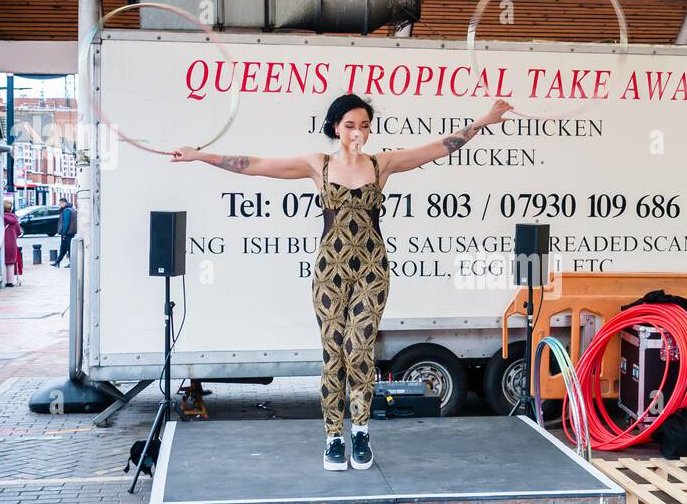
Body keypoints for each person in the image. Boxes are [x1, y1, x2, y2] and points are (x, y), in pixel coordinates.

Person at [172, 94, 512, 471]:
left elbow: (438, 147)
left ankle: (361, 431)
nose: (357, 132)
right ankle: (334, 436)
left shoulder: (381, 164)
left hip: (372, 269)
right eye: (350, 125)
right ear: (336, 127)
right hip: (330, 271)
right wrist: (200, 155)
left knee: (359, 350)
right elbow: (253, 165)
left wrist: (483, 121)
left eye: (364, 125)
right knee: (333, 354)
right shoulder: (318, 165)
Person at [2, 200, 23, 287]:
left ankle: (1, 280)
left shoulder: (0, 217)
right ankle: (9, 281)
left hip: (2, 243)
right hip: (12, 244)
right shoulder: (14, 218)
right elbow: (19, 232)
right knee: (10, 262)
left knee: (1, 262)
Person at [52, 198, 76, 267]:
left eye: (60, 204)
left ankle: (72, 263)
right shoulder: (72, 209)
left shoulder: (66, 210)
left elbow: (65, 223)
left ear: (63, 203)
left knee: (69, 248)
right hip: (70, 232)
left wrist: (64, 234)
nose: (60, 205)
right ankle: (57, 262)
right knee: (63, 248)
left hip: (67, 233)